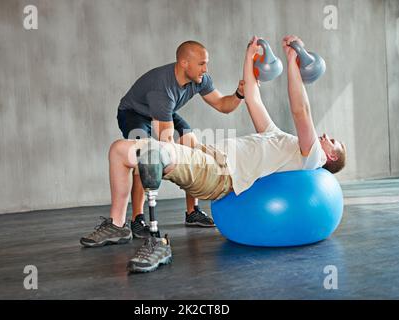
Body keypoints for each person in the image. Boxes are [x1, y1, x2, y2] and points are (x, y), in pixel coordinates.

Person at [82, 35, 347, 273]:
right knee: (119, 150)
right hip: (210, 155)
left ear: (330, 157)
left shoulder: (310, 157)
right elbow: (252, 98)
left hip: (218, 173)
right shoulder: (278, 137)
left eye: (332, 141)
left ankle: (156, 241)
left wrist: (293, 62)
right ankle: (118, 224)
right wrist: (249, 57)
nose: (325, 136)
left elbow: (301, 111)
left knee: (155, 151)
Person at [81, 40, 245, 244]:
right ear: (185, 63)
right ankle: (137, 219)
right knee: (147, 156)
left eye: (206, 63)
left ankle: (192, 211)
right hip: (135, 113)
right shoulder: (162, 88)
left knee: (190, 145)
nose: (206, 68)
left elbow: (223, 105)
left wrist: (240, 94)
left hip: (164, 111)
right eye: (202, 63)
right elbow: (165, 142)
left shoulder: (200, 79)